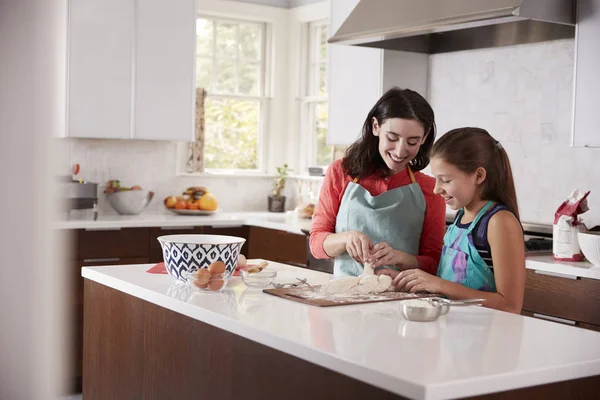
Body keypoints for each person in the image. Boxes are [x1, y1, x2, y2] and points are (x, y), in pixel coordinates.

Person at [310, 87, 446, 277]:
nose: (400, 151)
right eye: (392, 138)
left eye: (412, 142)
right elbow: (316, 244)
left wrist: (399, 258)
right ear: (376, 127)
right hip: (345, 297)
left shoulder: (431, 189)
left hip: (403, 302)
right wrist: (346, 239)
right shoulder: (341, 173)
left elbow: (434, 263)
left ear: (424, 137)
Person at [392, 127, 526, 313]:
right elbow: (452, 285)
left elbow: (510, 306)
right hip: (454, 333)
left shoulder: (499, 222)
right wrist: (405, 280)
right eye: (436, 179)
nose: (436, 189)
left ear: (478, 176)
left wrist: (439, 285)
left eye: (445, 180)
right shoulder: (461, 215)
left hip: (486, 338)